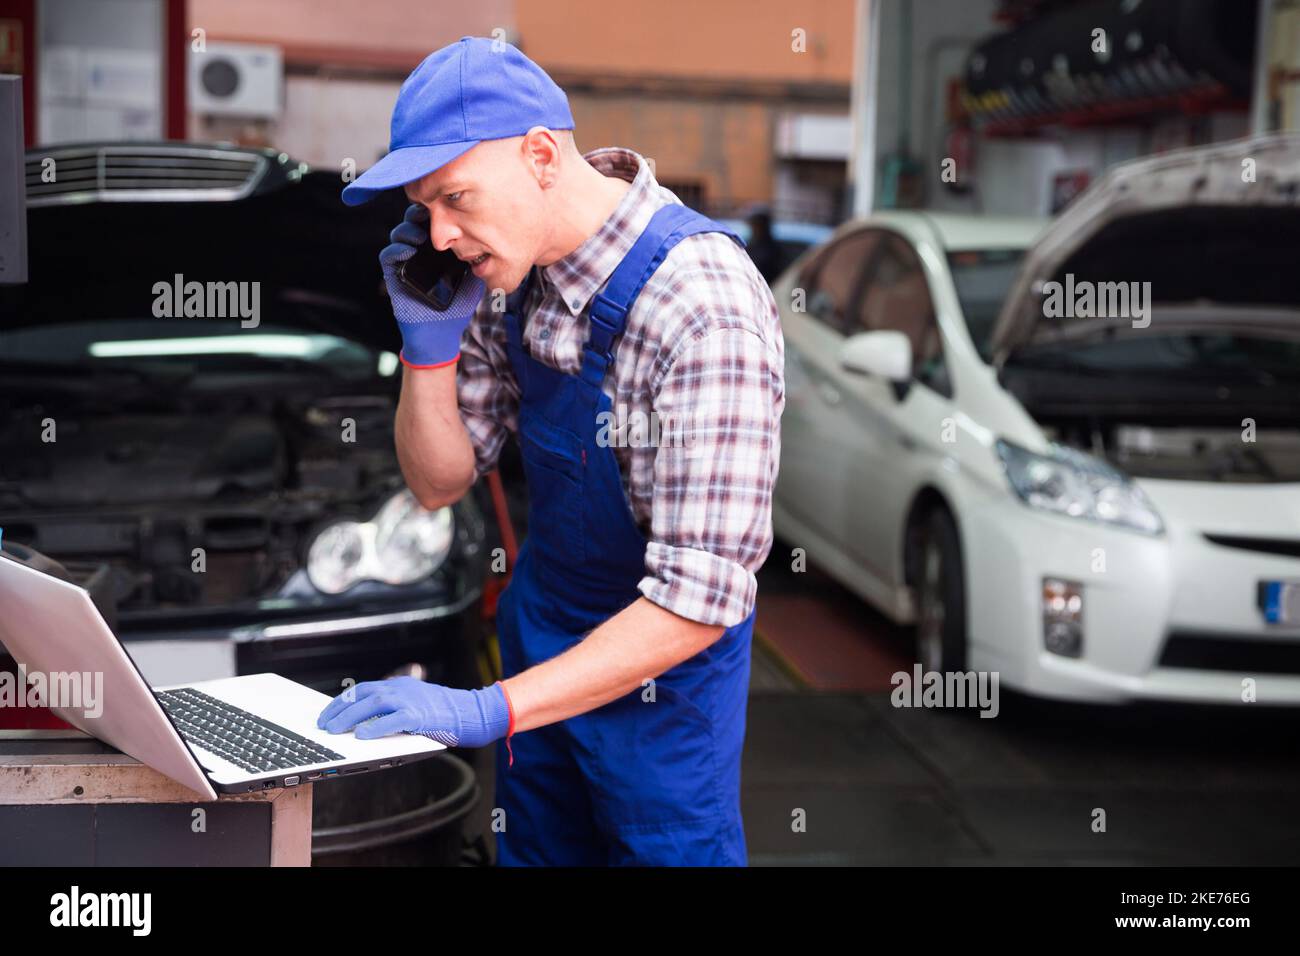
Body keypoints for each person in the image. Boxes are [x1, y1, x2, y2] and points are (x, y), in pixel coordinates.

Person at [315, 35, 784, 866]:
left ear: (539, 154)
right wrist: (426, 348)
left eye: (456, 197)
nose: (444, 233)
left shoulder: (701, 307)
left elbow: (702, 598)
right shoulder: (511, 282)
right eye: (427, 210)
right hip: (541, 663)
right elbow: (438, 482)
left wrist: (484, 711)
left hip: (660, 696)